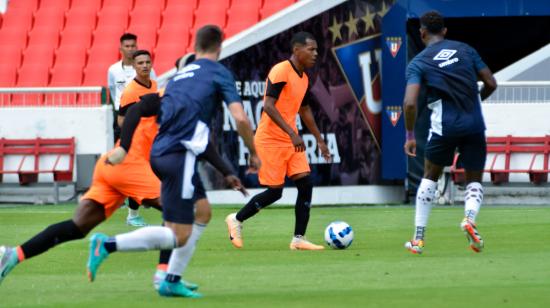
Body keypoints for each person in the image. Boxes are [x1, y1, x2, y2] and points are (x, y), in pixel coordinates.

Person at [85, 25, 260, 298]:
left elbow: (155, 114)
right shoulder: (218, 73)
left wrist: (226, 171)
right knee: (178, 233)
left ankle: (172, 278)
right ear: (219, 46)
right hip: (180, 157)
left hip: (162, 154)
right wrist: (254, 153)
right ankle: (107, 245)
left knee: (203, 211)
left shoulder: (178, 79)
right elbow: (240, 118)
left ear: (195, 46)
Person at [0, 98, 244, 290]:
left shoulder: (180, 104)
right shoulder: (168, 99)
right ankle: (164, 275)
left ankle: (13, 255)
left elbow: (201, 145)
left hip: (111, 165)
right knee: (181, 211)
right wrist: (127, 149)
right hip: (130, 165)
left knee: (78, 226)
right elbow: (134, 111)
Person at [225, 31, 331, 251]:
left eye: (317, 50)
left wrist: (319, 140)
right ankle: (236, 219)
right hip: (270, 140)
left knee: (306, 183)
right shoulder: (281, 70)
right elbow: (268, 106)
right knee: (275, 191)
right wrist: (292, 134)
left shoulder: (304, 77)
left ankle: (298, 238)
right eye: (311, 49)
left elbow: (305, 109)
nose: (315, 54)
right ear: (296, 50)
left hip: (291, 141)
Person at [402, 11, 497, 254]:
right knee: (474, 179)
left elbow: (410, 103)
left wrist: (410, 135)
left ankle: (418, 238)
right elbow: (491, 83)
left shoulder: (419, 62)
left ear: (422, 33)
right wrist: (474, 102)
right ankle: (469, 219)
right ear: (444, 31)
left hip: (444, 127)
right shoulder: (465, 50)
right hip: (474, 124)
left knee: (429, 176)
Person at [107, 33, 157, 226]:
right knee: (135, 174)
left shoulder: (153, 83)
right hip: (135, 137)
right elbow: (121, 120)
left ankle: (139, 202)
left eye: (147, 62)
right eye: (141, 63)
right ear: (134, 67)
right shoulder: (129, 91)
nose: (144, 66)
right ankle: (132, 213)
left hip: (149, 136)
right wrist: (133, 134)